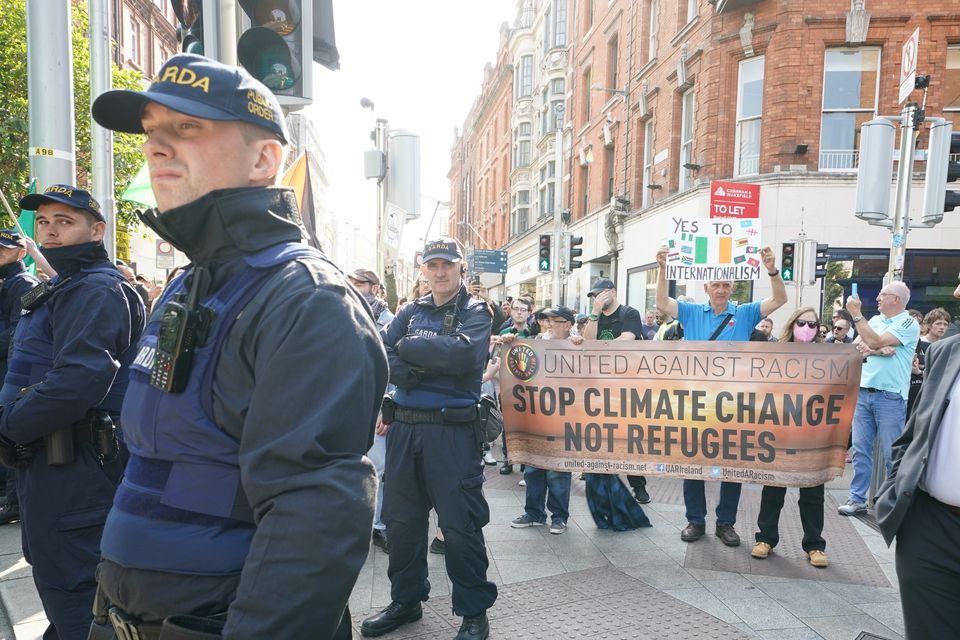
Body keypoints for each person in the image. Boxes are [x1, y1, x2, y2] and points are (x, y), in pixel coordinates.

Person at [90, 53, 388, 639]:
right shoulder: (187, 281)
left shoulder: (306, 300)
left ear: (264, 159)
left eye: (187, 128)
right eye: (152, 133)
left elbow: (314, 517)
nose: (156, 148)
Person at [0, 185, 146, 640]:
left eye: (65, 222)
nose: (50, 232)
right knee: (61, 588)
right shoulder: (67, 286)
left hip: (77, 467)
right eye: (43, 222)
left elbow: (76, 382)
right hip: (50, 462)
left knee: (77, 597)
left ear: (96, 230)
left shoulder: (96, 289)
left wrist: (6, 429)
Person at [362, 238, 496, 640]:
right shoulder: (410, 311)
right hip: (404, 431)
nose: (440, 272)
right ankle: (406, 601)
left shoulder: (475, 311)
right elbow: (379, 350)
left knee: (461, 526)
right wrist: (421, 365)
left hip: (452, 434)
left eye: (448, 265)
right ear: (424, 269)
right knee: (402, 525)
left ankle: (474, 613)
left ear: (461, 269)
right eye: (433, 265)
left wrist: (407, 349)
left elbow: (463, 357)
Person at [656, 245, 787, 546]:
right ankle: (695, 520)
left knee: (731, 463)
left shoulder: (745, 313)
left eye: (727, 284)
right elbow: (662, 301)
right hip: (696, 401)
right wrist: (663, 268)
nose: (721, 289)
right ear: (706, 287)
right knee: (693, 461)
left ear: (732, 288)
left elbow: (780, 299)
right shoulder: (690, 312)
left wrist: (771, 268)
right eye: (716, 284)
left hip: (733, 402)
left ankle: (725, 522)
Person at [875, 332, 960, 640]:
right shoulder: (946, 351)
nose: (957, 291)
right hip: (930, 528)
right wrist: (895, 489)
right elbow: (914, 433)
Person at [751, 307, 829, 568]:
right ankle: (765, 539)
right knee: (773, 487)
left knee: (813, 492)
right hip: (781, 431)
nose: (807, 328)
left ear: (819, 329)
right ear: (792, 323)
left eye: (813, 324)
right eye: (802, 322)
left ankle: (814, 545)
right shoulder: (777, 353)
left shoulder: (829, 356)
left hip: (813, 434)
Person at [838, 282, 920, 517]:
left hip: (890, 396)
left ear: (896, 299)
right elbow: (857, 347)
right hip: (863, 392)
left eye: (882, 295)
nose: (877, 298)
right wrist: (877, 348)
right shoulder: (874, 322)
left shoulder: (908, 323)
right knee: (861, 450)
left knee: (891, 453)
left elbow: (870, 342)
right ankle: (857, 499)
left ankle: (893, 503)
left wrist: (858, 319)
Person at [581, 277, 653, 520]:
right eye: (594, 296)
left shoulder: (629, 312)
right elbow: (588, 340)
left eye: (600, 294)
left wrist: (600, 346)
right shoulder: (596, 316)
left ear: (612, 291)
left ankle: (638, 484)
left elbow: (627, 339)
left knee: (629, 436)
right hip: (601, 385)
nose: (597, 298)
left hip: (628, 384)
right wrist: (594, 313)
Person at [507, 306, 581, 535]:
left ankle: (559, 516)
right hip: (537, 416)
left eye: (554, 321)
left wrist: (580, 344)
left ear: (568, 325)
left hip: (562, 418)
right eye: (545, 320)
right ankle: (534, 513)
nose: (548, 325)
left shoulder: (576, 345)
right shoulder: (534, 343)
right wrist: (511, 342)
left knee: (558, 469)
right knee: (533, 468)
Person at [349, 268, 395, 555]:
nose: (355, 287)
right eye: (352, 283)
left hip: (377, 409)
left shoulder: (390, 323)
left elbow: (392, 371)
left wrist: (386, 407)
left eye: (361, 284)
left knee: (378, 469)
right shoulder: (346, 312)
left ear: (376, 288)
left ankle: (377, 526)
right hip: (352, 406)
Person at [0, 231, 40, 526]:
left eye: (5, 248)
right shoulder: (7, 283)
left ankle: (12, 502)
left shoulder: (23, 283)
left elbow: (20, 335)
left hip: (10, 374)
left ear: (21, 252)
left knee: (9, 435)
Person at [498, 297, 535, 475]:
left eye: (523, 309)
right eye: (516, 309)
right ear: (511, 311)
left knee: (529, 425)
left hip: (530, 387)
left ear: (529, 313)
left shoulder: (536, 333)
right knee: (509, 424)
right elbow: (495, 358)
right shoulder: (504, 331)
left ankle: (525, 460)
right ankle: (508, 459)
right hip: (509, 386)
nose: (519, 312)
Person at [907, 308, 951, 418]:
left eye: (945, 324)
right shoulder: (917, 343)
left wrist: (920, 370)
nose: (942, 327)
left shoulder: (947, 346)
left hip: (935, 395)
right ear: (928, 325)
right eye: (938, 323)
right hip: (913, 392)